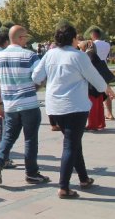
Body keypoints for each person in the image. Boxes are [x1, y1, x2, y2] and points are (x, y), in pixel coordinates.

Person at [32, 23, 115, 198]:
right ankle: (63, 187)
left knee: (73, 142)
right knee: (70, 144)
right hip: (75, 107)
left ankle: (84, 178)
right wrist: (106, 89)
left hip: (55, 107)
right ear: (72, 38)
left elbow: (36, 76)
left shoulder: (49, 54)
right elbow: (96, 80)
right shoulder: (78, 56)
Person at [0, 26, 49, 186]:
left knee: (8, 136)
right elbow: (40, 76)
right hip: (28, 103)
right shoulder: (29, 55)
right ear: (21, 38)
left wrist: (0, 103)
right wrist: (37, 86)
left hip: (9, 104)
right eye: (26, 37)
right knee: (30, 139)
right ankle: (31, 173)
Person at [77, 40, 114, 130]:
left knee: (92, 106)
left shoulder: (88, 55)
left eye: (80, 48)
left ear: (84, 47)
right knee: (99, 106)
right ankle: (100, 123)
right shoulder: (93, 54)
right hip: (98, 84)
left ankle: (92, 125)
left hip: (92, 84)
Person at [89, 28, 113, 120]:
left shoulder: (93, 44)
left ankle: (98, 114)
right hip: (104, 67)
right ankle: (110, 113)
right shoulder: (107, 44)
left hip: (95, 67)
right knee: (106, 91)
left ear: (93, 35)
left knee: (96, 93)